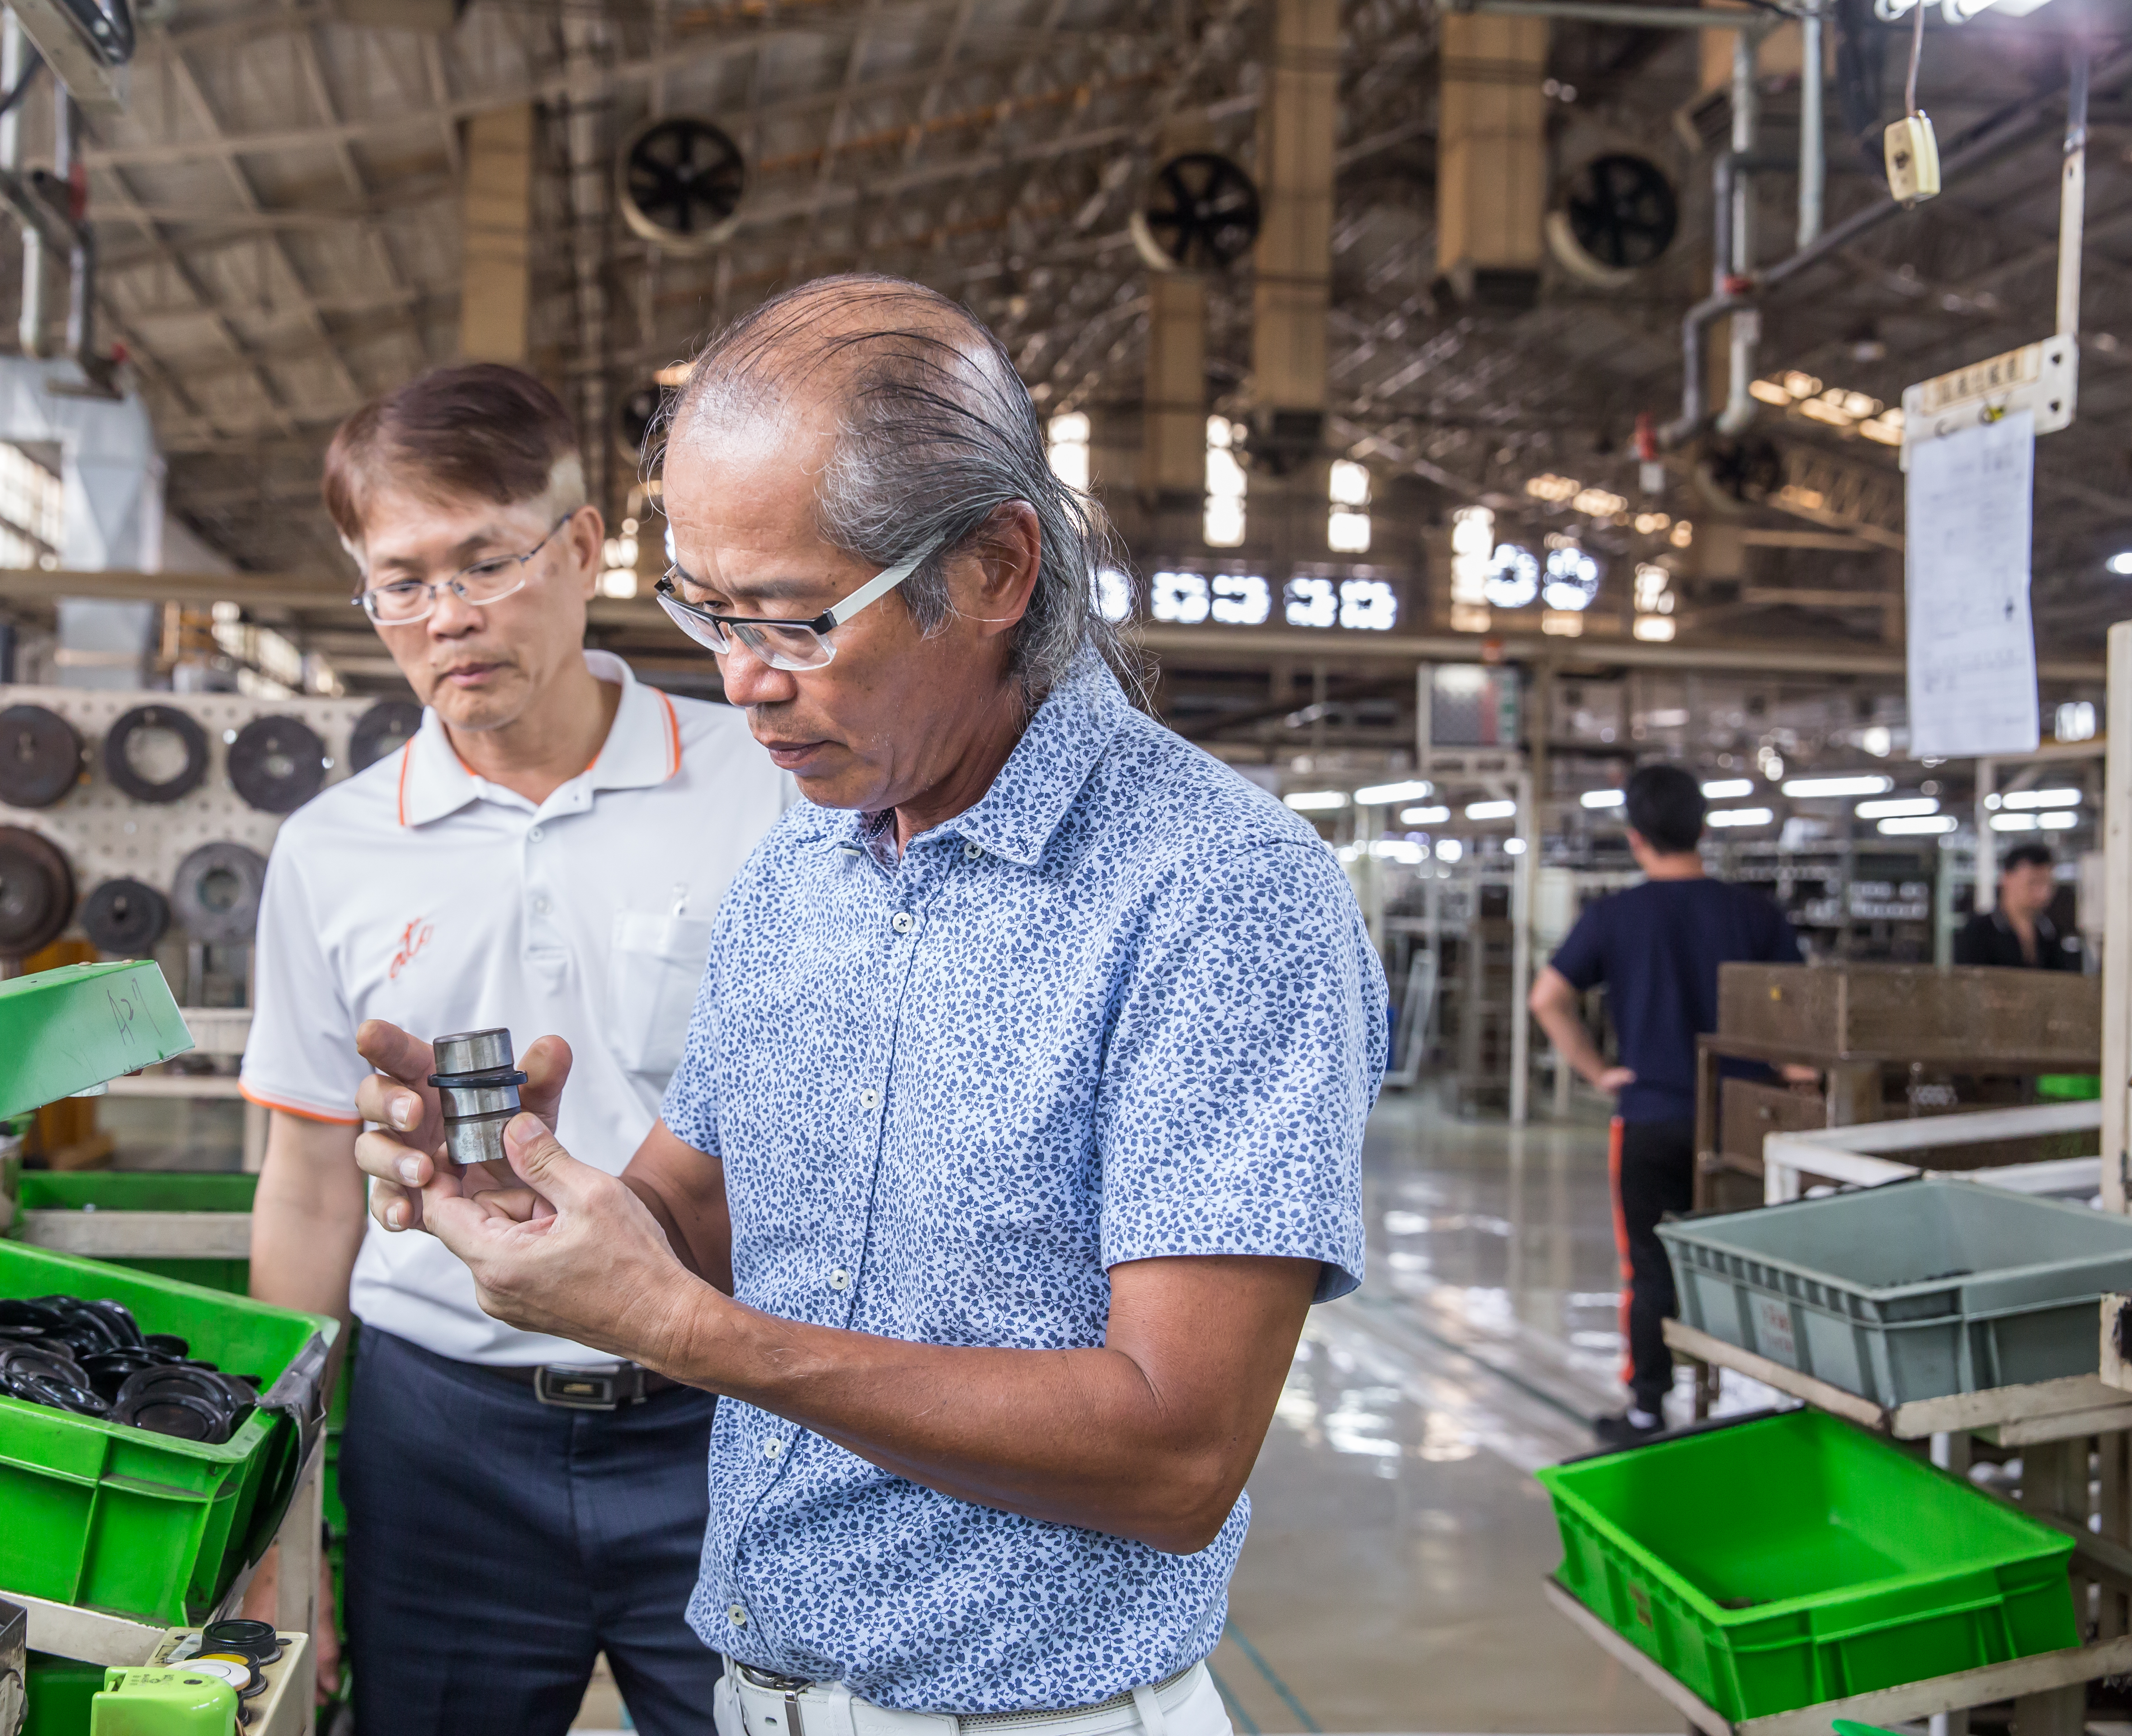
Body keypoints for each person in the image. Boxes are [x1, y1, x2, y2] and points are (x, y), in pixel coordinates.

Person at [347, 275, 1384, 1736]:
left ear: (996, 570)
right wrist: (532, 1196)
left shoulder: (1216, 894)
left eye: (794, 622)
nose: (743, 687)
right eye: (704, 614)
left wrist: (698, 1340)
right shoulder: (805, 859)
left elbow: (1176, 1452)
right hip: (758, 1695)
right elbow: (696, 1214)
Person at [238, 362, 790, 1736]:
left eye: (486, 560)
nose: (451, 617)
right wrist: (271, 1516)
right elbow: (308, 1186)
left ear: (589, 547)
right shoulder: (330, 851)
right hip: (445, 1443)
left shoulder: (766, 784)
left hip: (732, 1399)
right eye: (403, 579)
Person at [1528, 762, 1802, 1445]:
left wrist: (1598, 1071)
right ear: (1704, 829)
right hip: (1744, 1122)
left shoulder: (1615, 917)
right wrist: (1796, 1082)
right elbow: (1799, 1020)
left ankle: (1649, 1407)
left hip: (1649, 1116)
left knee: (1649, 1266)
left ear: (1634, 837)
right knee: (1751, 1261)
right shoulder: (1755, 915)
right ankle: (1770, 1401)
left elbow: (1547, 999)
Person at [1954, 841, 2078, 970]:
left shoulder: (2051, 933)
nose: (2043, 893)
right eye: (2033, 883)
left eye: (2048, 884)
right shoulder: (1978, 932)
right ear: (2007, 878)